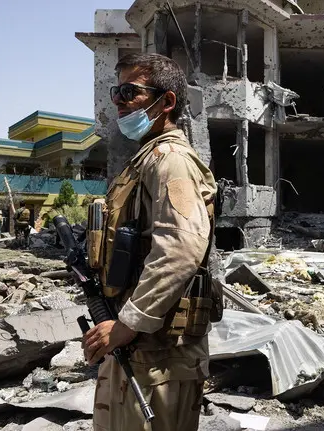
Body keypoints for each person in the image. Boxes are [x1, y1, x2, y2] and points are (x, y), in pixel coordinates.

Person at [82, 53, 217, 431]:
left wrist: (127, 323)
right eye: (116, 91)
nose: (119, 100)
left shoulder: (170, 159)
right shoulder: (144, 160)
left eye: (130, 91)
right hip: (136, 346)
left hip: (159, 353)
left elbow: (181, 248)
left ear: (167, 102)